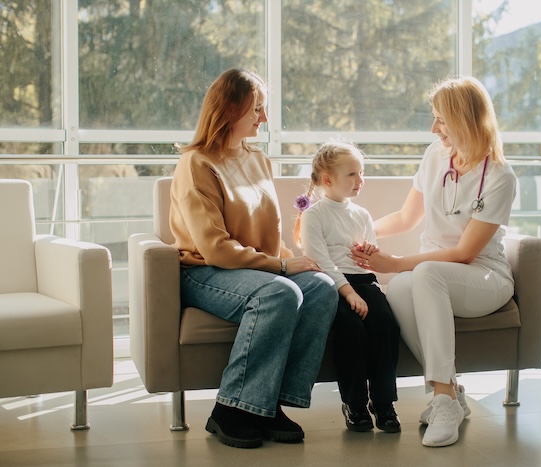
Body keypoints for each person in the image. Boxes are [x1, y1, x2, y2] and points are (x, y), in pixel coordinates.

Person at [169, 68, 338, 449]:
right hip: (205, 271)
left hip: (254, 268)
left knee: (322, 288)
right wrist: (281, 267)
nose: (264, 119)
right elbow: (214, 247)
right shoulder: (197, 164)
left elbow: (268, 232)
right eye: (256, 110)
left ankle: (268, 404)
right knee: (279, 293)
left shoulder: (257, 159)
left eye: (264, 109)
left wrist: (296, 261)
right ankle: (230, 410)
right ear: (229, 109)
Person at [351, 76, 516, 447]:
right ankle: (453, 393)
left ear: (465, 120)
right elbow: (406, 218)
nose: (433, 128)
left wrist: (395, 262)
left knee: (418, 274)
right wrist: (360, 236)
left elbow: (464, 254)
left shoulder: (500, 176)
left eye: (441, 120)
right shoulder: (435, 155)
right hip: (434, 275)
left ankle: (442, 399)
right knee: (400, 289)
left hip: (484, 278)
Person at [294, 141, 402, 433]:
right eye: (352, 174)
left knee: (385, 325)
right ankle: (354, 404)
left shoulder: (362, 214)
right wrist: (348, 292)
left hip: (364, 282)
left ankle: (383, 403)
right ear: (328, 179)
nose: (360, 181)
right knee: (351, 331)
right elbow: (321, 261)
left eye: (361, 173)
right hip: (333, 285)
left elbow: (370, 258)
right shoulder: (314, 215)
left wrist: (369, 251)